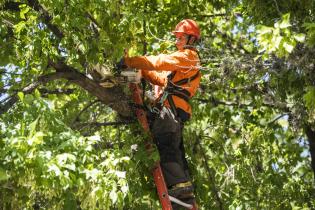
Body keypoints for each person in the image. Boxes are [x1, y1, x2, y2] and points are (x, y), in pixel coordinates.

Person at [123, 19, 201, 208]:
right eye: (177, 37)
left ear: (191, 39)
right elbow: (160, 79)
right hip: (174, 111)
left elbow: (160, 62)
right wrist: (143, 69)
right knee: (172, 149)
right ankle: (182, 192)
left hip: (170, 111)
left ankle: (179, 188)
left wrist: (129, 61)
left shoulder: (189, 56)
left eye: (181, 37)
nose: (177, 41)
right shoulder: (185, 61)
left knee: (166, 147)